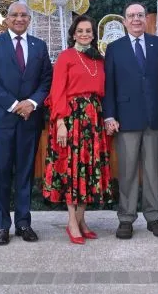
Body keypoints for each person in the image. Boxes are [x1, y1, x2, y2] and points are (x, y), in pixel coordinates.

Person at [0, 2, 53, 246]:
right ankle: (2, 226)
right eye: (14, 15)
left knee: (25, 174)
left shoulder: (39, 46)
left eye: (23, 15)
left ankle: (23, 223)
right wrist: (13, 104)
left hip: (29, 120)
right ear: (7, 18)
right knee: (1, 174)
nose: (19, 19)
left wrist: (31, 102)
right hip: (2, 119)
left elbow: (46, 80)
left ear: (29, 19)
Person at [103, 2, 158, 240]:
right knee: (128, 171)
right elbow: (109, 85)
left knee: (153, 170)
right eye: (131, 15)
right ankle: (126, 218)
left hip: (155, 118)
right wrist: (110, 115)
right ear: (124, 21)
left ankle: (154, 217)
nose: (136, 19)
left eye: (140, 15)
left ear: (146, 19)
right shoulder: (114, 48)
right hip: (126, 119)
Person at [43, 15, 114, 244]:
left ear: (94, 35)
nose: (84, 34)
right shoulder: (66, 57)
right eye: (80, 31)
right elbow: (57, 91)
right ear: (73, 34)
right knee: (73, 170)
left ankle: (81, 220)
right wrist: (61, 123)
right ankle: (72, 222)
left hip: (93, 120)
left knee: (88, 169)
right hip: (71, 118)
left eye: (89, 31)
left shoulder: (99, 60)